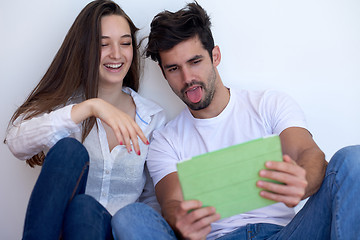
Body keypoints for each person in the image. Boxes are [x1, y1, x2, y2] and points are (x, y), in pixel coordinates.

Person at [111, 2, 360, 240]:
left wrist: (303, 180)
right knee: (130, 216)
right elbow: (172, 204)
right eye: (174, 69)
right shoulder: (165, 141)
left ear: (215, 56)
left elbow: (310, 154)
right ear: (164, 74)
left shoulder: (267, 104)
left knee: (353, 158)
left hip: (285, 233)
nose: (188, 78)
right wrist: (181, 222)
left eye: (195, 62)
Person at [4, 0, 166, 239]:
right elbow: (16, 143)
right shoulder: (69, 108)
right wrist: (91, 107)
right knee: (74, 169)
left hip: (120, 233)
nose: (117, 54)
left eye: (125, 43)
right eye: (104, 44)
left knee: (87, 208)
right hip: (71, 230)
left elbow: (152, 201)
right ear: (85, 48)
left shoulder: (153, 117)